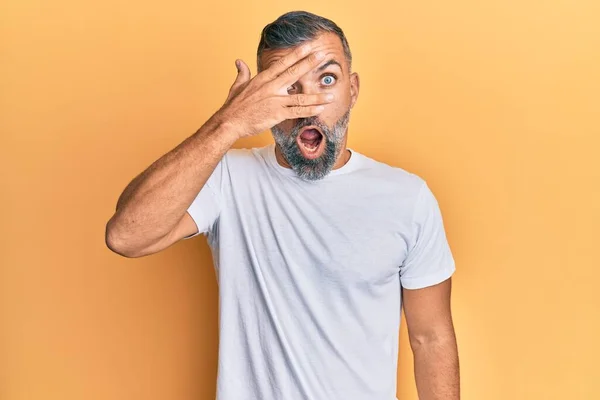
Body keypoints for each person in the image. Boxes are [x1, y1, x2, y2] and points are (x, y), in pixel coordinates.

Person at [105, 10, 460, 400]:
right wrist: (229, 123)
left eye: (327, 79)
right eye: (287, 85)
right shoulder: (227, 179)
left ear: (353, 90)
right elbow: (127, 235)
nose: (307, 105)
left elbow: (431, 339)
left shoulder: (407, 198)